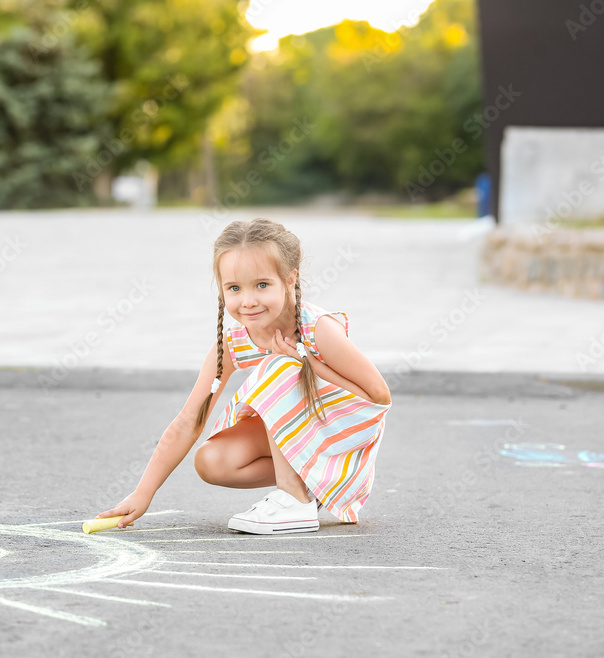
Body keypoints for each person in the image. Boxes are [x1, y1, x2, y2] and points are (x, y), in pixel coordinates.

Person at [96, 218, 392, 534]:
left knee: (278, 367)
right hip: (306, 433)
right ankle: (309, 484)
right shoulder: (234, 341)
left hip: (346, 431)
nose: (248, 301)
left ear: (290, 279)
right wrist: (144, 493)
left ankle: (294, 501)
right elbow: (189, 420)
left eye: (262, 285)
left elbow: (378, 397)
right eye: (234, 288)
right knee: (211, 460)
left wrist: (305, 362)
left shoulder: (318, 329)